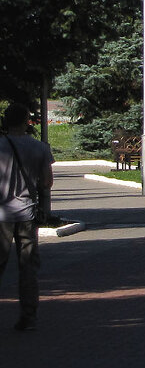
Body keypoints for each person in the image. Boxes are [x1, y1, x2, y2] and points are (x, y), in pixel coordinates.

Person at [0, 103, 54, 332]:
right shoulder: (39, 147)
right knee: (28, 267)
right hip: (27, 214)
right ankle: (28, 316)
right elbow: (47, 182)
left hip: (1, 215)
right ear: (26, 122)